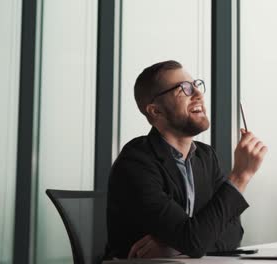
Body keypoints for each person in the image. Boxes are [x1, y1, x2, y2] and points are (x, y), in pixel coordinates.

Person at [105, 60, 267, 259]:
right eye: (185, 89)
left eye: (196, 86)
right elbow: (196, 240)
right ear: (156, 111)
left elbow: (233, 234)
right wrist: (240, 176)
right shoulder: (136, 162)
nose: (198, 94)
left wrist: (177, 246)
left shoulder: (206, 157)